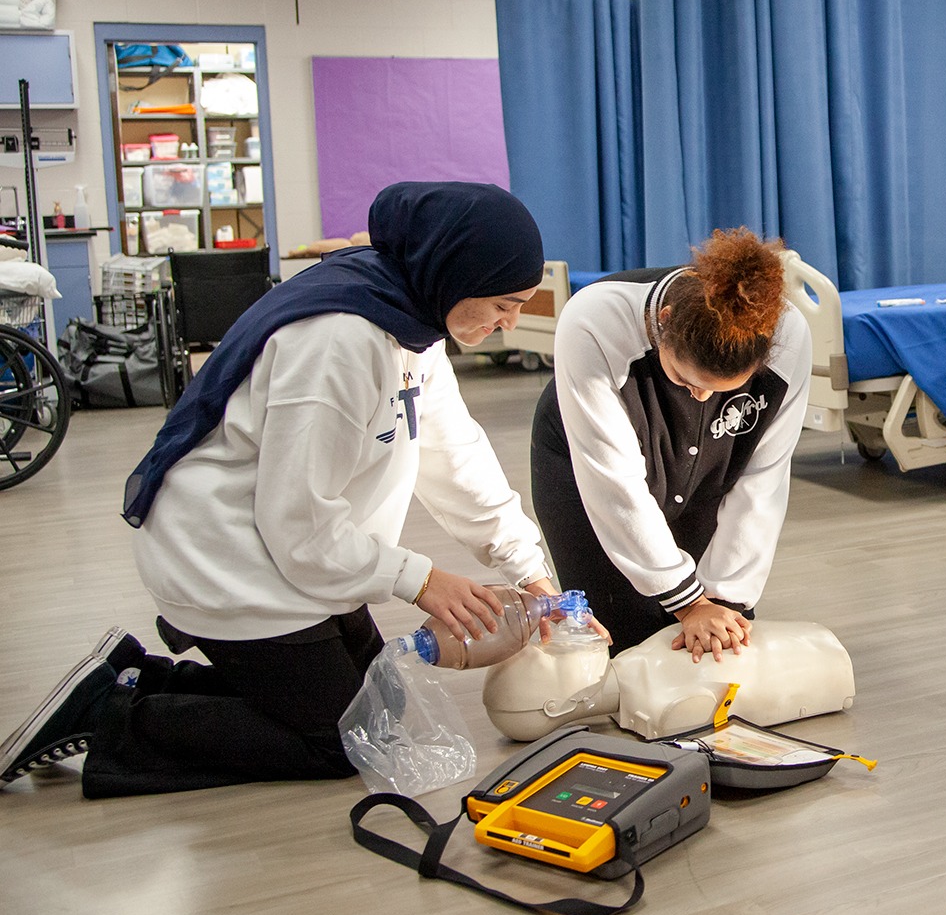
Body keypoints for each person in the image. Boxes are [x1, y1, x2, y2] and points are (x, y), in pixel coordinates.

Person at [2, 181, 594, 797]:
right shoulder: (340, 339)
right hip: (227, 556)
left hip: (292, 552)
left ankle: (132, 678)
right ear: (452, 272)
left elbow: (454, 457)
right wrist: (421, 580)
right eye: (503, 303)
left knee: (378, 708)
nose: (510, 322)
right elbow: (298, 522)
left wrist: (526, 568)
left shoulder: (412, 318)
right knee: (339, 741)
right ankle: (111, 719)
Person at [530, 227, 811, 663]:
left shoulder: (788, 334)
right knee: (626, 645)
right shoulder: (595, 319)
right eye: (685, 380)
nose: (701, 398)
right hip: (588, 462)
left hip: (708, 458)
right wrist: (689, 602)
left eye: (720, 391)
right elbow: (616, 487)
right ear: (664, 323)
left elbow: (762, 479)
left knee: (715, 642)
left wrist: (724, 599)